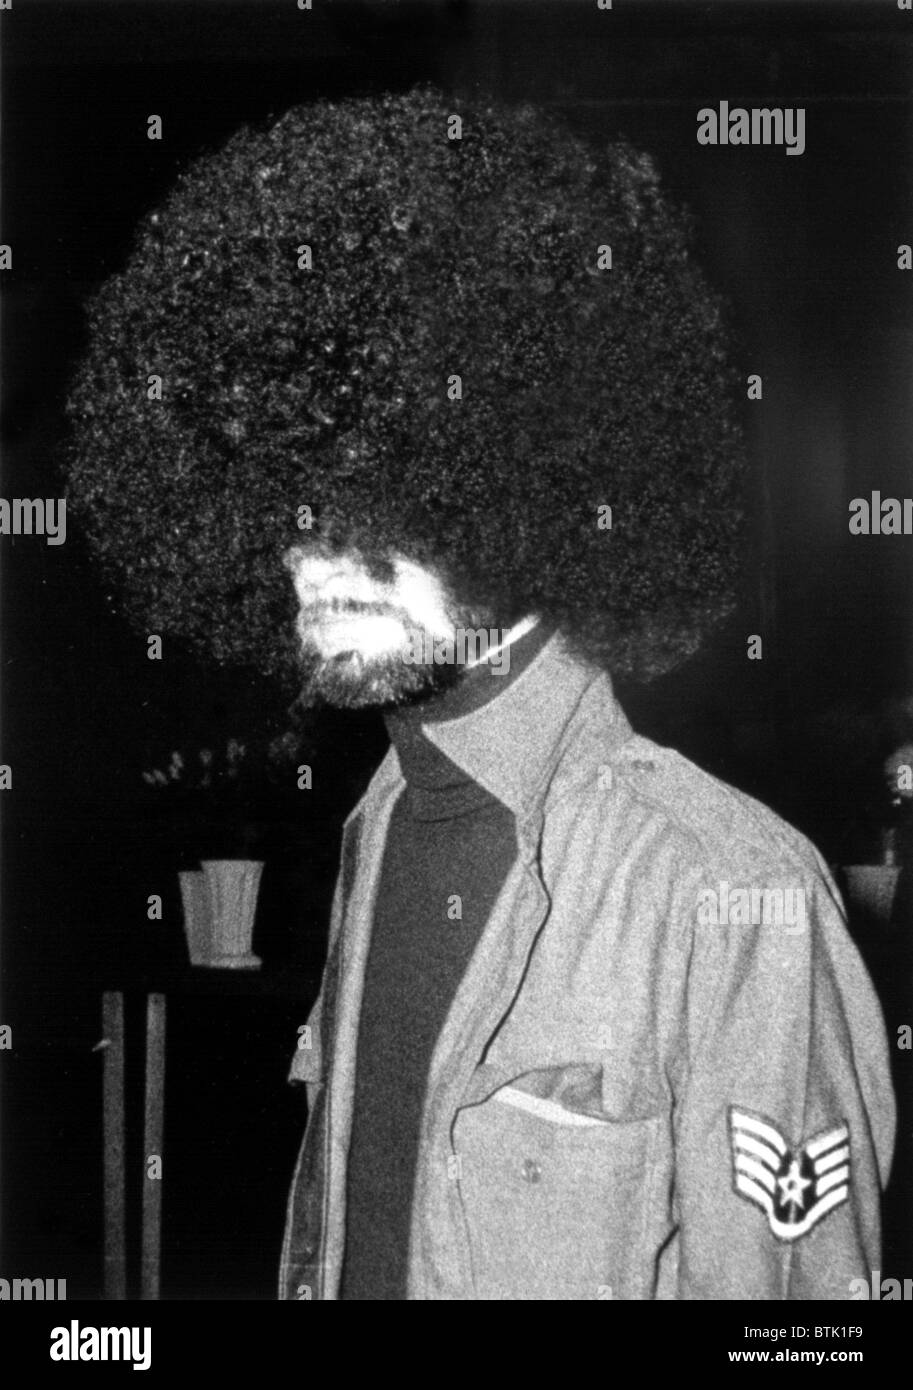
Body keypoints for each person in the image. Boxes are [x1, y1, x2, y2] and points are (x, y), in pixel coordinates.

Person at [64, 88, 895, 1300]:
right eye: (287, 505)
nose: (321, 561)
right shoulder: (377, 822)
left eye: (383, 501)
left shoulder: (729, 892)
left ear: (526, 480)